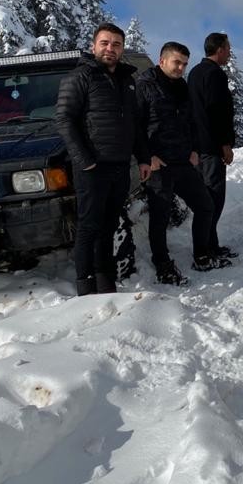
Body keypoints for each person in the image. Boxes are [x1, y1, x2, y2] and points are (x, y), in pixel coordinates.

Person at [56, 23, 150, 296]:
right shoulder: (79, 77)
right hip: (92, 167)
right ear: (94, 45)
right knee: (89, 226)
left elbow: (135, 124)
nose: (111, 49)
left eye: (116, 44)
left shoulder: (127, 81)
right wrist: (84, 160)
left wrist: (143, 158)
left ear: (122, 49)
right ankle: (85, 288)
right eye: (105, 43)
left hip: (119, 166)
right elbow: (64, 119)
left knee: (109, 225)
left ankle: (105, 282)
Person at [137, 41, 226, 286]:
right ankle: (163, 265)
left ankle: (201, 254)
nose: (180, 68)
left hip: (183, 161)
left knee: (205, 206)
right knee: (160, 217)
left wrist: (195, 148)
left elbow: (192, 122)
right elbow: (135, 127)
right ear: (162, 60)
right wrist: (146, 157)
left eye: (184, 64)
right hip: (159, 164)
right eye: (177, 62)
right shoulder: (144, 87)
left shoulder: (183, 87)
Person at [187, 31, 238, 262]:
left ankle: (212, 245)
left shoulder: (195, 73)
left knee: (208, 199)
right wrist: (225, 144)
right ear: (219, 50)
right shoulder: (215, 74)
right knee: (213, 200)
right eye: (227, 48)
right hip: (211, 148)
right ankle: (204, 251)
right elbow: (217, 112)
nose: (229, 53)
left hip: (200, 145)